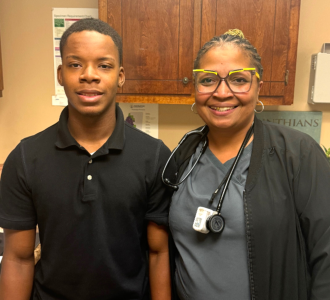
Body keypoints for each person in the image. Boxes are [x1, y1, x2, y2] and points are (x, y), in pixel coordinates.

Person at [0, 18, 173, 300]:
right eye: (75, 64)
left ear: (120, 75)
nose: (89, 75)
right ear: (60, 74)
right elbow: (17, 259)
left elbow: (158, 253)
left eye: (104, 65)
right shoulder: (25, 157)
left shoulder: (154, 157)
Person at [162, 29, 330, 300]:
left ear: (258, 86)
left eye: (239, 79)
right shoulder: (182, 157)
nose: (222, 92)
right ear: (195, 88)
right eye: (208, 80)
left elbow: (326, 253)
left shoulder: (298, 154)